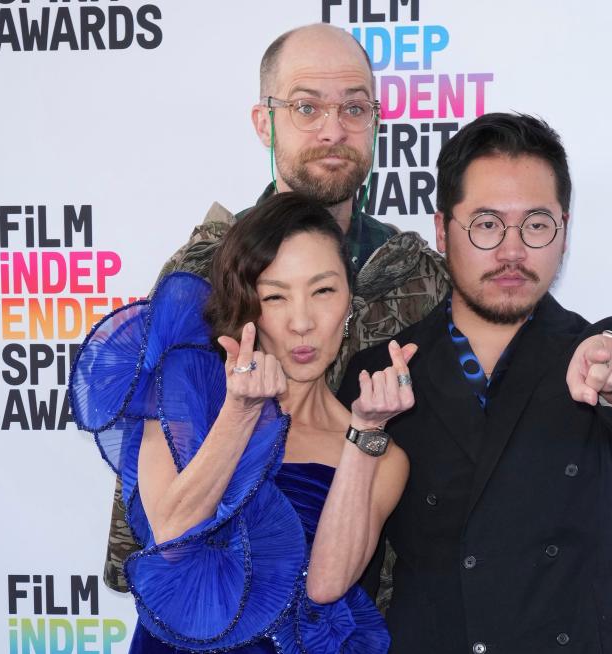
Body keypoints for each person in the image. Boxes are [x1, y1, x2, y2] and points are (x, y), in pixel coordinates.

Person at [100, 22, 450, 595]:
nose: (333, 130)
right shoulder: (203, 273)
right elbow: (154, 497)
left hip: (367, 606)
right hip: (216, 601)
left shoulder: (418, 275)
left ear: (376, 121)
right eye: (306, 107)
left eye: (354, 108)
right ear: (265, 123)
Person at [338, 113, 612, 653]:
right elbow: (345, 567)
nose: (513, 251)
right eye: (487, 224)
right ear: (443, 229)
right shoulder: (381, 372)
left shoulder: (596, 351)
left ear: (564, 231)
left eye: (537, 224)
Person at [69, 193, 416, 653]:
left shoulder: (375, 449)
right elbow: (170, 534)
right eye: (275, 296)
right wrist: (240, 414)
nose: (302, 322)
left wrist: (367, 430)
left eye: (324, 291)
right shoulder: (186, 397)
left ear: (350, 299)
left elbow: (327, 586)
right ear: (246, 305)